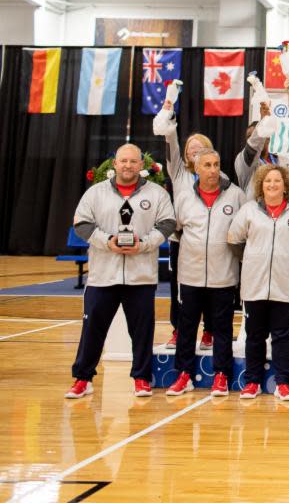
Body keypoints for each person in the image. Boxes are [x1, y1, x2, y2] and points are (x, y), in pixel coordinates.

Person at [65, 144, 176, 399]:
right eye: (123, 161)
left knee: (142, 332)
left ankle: (142, 378)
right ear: (115, 163)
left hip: (141, 276)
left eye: (133, 161)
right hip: (103, 276)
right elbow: (81, 223)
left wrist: (144, 244)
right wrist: (108, 241)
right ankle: (83, 379)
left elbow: (168, 223)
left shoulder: (157, 194)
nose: (128, 165)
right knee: (92, 329)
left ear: (141, 165)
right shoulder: (96, 193)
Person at [227, 165, 289, 400]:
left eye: (277, 181)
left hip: (285, 285)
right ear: (261, 185)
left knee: (282, 336)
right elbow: (234, 239)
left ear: (286, 185)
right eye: (268, 181)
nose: (272, 185)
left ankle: (283, 383)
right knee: (254, 335)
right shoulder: (248, 211)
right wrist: (252, 259)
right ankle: (252, 382)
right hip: (254, 284)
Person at [165, 149, 245, 397]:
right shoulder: (184, 197)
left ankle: (221, 376)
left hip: (223, 275)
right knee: (187, 327)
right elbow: (176, 231)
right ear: (196, 169)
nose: (213, 170)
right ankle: (184, 375)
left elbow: (243, 230)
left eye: (216, 164)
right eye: (207, 165)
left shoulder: (236, 195)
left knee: (222, 328)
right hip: (190, 275)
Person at [158, 102, 216, 353]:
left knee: (211, 288)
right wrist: (168, 115)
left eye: (201, 148)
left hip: (209, 240)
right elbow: (171, 141)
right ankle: (178, 329)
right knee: (178, 288)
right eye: (191, 149)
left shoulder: (218, 177)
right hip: (180, 241)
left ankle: (209, 331)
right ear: (185, 154)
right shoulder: (178, 173)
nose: (195, 151)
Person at [234, 101, 289, 195]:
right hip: (258, 209)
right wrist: (264, 122)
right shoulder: (244, 163)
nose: (255, 139)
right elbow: (254, 145)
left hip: (284, 209)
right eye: (249, 137)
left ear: (269, 138)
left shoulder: (286, 162)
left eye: (261, 135)